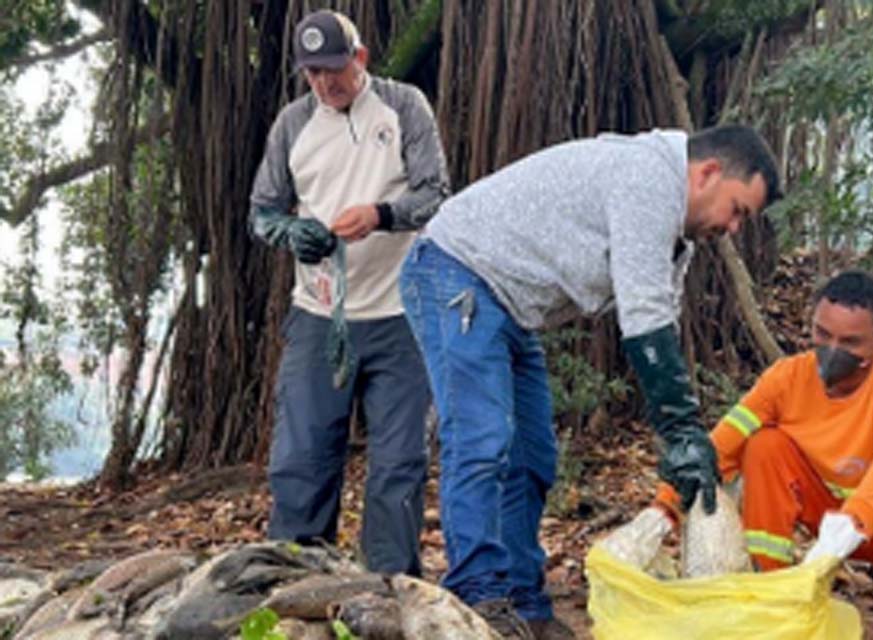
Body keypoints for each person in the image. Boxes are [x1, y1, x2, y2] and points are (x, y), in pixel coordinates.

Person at [399, 125, 780, 639]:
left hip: (510, 307)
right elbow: (644, 319)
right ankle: (478, 596)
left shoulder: (677, 239)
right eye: (738, 211)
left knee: (532, 458)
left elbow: (658, 325)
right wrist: (683, 429)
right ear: (708, 173)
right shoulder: (648, 178)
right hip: (457, 271)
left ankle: (525, 605)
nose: (734, 228)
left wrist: (683, 436)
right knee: (482, 441)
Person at [248, 9, 449, 576]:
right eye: (312, 73)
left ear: (359, 58)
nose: (325, 83)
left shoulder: (404, 106)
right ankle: (295, 583)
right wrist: (291, 232)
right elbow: (261, 212)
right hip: (319, 316)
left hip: (401, 313)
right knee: (302, 458)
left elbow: (436, 193)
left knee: (400, 461)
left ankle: (389, 588)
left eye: (334, 69)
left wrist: (382, 215)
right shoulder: (292, 124)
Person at [657, 270, 873, 640]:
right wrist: (662, 509)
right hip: (822, 512)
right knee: (764, 445)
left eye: (850, 341)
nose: (832, 349)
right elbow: (723, 443)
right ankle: (773, 596)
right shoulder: (786, 378)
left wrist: (853, 523)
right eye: (822, 334)